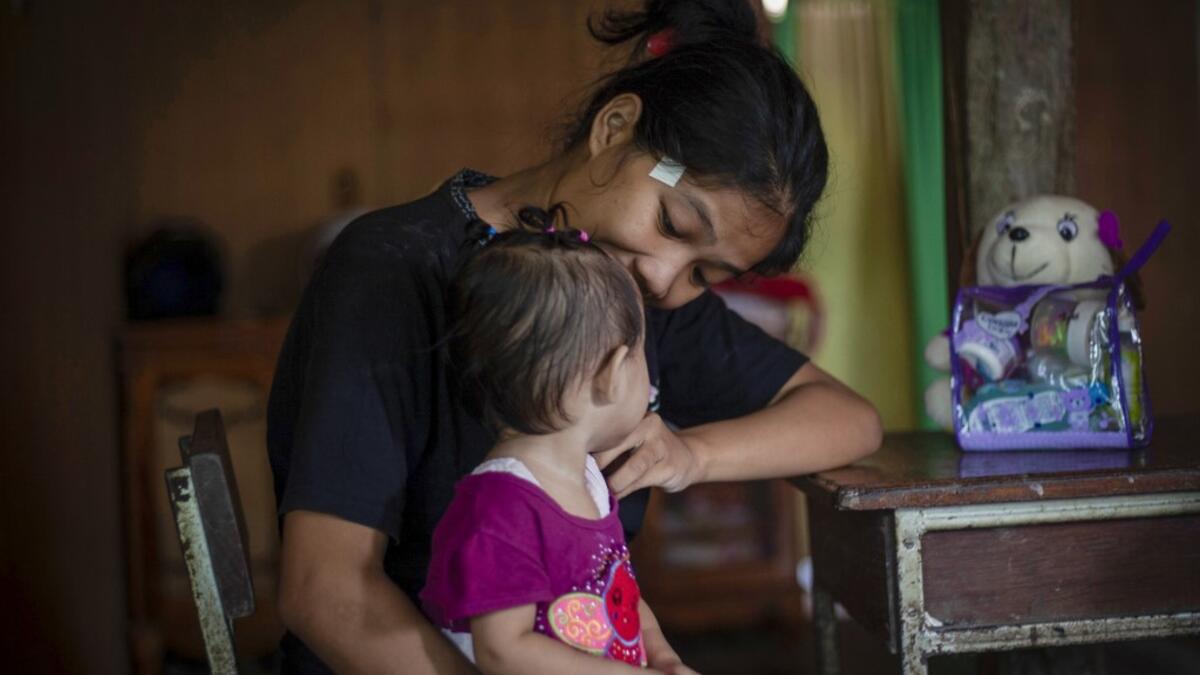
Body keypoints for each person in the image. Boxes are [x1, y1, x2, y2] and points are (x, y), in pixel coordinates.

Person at [268, 1, 883, 673]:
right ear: (615, 127)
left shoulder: (642, 297)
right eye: (674, 222)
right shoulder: (395, 267)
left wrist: (690, 454)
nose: (664, 277)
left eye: (708, 273)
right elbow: (327, 594)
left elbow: (847, 419)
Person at [420, 225, 696, 674]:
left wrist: (663, 657)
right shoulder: (502, 506)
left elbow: (619, 597)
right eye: (642, 355)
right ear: (611, 373)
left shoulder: (588, 480)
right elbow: (504, 650)